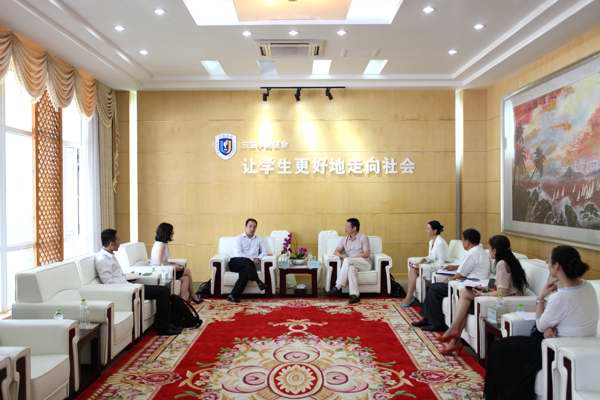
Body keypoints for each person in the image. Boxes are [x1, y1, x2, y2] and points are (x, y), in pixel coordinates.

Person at [485, 245, 599, 400]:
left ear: (557, 266)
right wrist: (549, 326)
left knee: (499, 348)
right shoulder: (588, 286)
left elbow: (540, 325)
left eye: (549, 260)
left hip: (554, 348)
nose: (546, 262)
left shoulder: (561, 297)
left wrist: (540, 298)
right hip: (570, 343)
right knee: (507, 348)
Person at [439, 235, 527, 355]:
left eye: (489, 248)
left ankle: (453, 331)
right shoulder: (510, 261)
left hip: (505, 301)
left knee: (465, 293)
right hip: (507, 297)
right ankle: (454, 340)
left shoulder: (501, 264)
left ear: (495, 250)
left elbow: (502, 292)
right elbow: (503, 286)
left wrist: (484, 293)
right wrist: (485, 289)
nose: (489, 251)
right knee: (466, 301)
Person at [95, 229, 182, 336]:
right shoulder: (102, 259)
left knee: (163, 290)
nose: (119, 242)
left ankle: (167, 323)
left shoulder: (110, 255)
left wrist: (129, 277)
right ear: (111, 243)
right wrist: (128, 286)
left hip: (129, 286)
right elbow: (108, 284)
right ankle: (163, 328)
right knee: (163, 291)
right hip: (127, 291)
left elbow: (117, 276)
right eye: (118, 239)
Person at [412, 228, 490, 331]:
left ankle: (436, 323)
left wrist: (448, 280)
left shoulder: (472, 253)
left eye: (463, 240)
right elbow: (469, 267)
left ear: (468, 241)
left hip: (468, 286)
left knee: (434, 289)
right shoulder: (479, 251)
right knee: (433, 287)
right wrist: (456, 267)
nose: (462, 243)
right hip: (469, 283)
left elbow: (460, 274)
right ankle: (427, 319)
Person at [150, 222, 202, 304]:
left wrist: (174, 264)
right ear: (167, 232)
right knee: (187, 271)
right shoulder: (161, 245)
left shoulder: (160, 243)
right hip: (163, 273)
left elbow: (164, 261)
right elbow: (160, 264)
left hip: (166, 270)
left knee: (186, 279)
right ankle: (193, 295)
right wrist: (175, 268)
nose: (173, 233)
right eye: (171, 231)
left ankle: (183, 302)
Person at [402, 220, 449, 307]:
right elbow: (431, 257)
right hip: (433, 265)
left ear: (435, 231)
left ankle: (409, 297)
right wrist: (422, 261)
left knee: (414, 270)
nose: (426, 231)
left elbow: (441, 263)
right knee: (413, 267)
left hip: (439, 268)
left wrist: (423, 266)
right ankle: (410, 296)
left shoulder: (440, 243)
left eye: (428, 229)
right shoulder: (431, 242)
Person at [329, 218, 371, 304]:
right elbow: (336, 251)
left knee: (347, 260)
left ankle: (338, 286)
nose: (345, 228)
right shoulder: (344, 239)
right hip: (352, 263)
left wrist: (353, 257)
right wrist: (342, 256)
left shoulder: (363, 237)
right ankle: (354, 296)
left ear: (354, 228)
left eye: (347, 227)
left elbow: (367, 254)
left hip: (365, 263)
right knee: (351, 269)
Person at [227, 218, 270, 303]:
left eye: (254, 227)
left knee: (245, 273)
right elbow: (238, 253)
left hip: (248, 266)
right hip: (235, 262)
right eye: (250, 226)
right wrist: (252, 259)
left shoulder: (259, 239)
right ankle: (258, 281)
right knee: (247, 261)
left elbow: (264, 251)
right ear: (245, 227)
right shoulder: (239, 238)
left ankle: (233, 295)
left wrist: (259, 258)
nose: (252, 229)